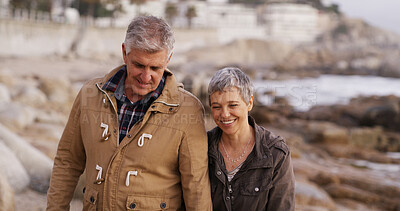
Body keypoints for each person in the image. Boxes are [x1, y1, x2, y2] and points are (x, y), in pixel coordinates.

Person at [46, 15, 212, 210]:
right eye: (139, 65)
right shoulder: (89, 95)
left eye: (155, 67)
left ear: (168, 59)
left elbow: (196, 186)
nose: (146, 76)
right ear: (125, 52)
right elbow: (67, 161)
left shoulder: (188, 110)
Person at [207, 67, 295, 211]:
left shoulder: (276, 154)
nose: (225, 114)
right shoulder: (202, 147)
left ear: (249, 103)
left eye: (232, 105)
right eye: (216, 107)